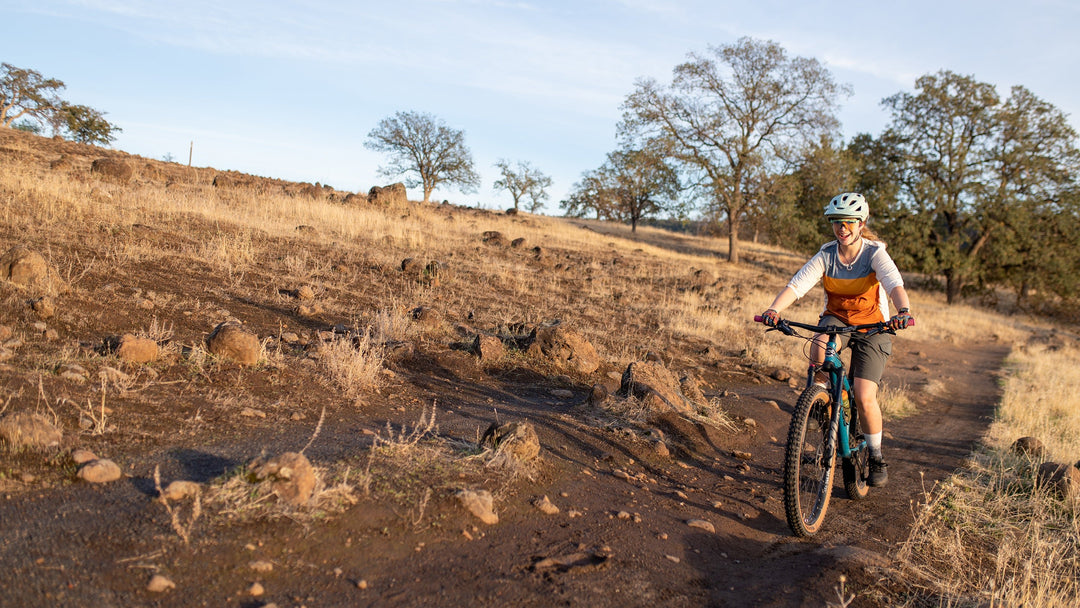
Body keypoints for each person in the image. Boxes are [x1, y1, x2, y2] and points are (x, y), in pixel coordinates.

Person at [760, 192, 912, 487]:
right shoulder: (827, 254)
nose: (841, 228)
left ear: (861, 222)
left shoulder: (874, 253)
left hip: (873, 327)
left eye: (847, 223)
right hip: (837, 319)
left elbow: (894, 284)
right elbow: (798, 284)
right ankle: (822, 403)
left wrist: (903, 310)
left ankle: (877, 455)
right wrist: (774, 309)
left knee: (865, 395)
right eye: (836, 223)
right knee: (818, 348)